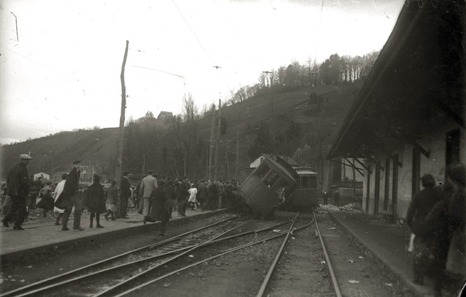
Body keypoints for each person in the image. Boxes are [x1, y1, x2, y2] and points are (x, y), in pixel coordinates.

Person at [406, 174, 442, 286]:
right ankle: (431, 275)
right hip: (434, 228)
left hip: (420, 228)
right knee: (431, 252)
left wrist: (412, 225)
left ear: (422, 183)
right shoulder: (439, 195)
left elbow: (410, 213)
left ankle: (418, 278)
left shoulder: (419, 195)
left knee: (418, 252)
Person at [2, 154, 32, 230]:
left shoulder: (13, 167)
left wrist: (9, 189)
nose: (28, 162)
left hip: (12, 192)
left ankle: (6, 219)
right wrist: (27, 192)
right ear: (22, 160)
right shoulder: (23, 168)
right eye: (27, 160)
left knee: (14, 207)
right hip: (19, 192)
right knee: (22, 209)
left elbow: (8, 179)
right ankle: (17, 225)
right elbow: (24, 182)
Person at [55, 160, 84, 231]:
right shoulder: (73, 173)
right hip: (72, 194)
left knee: (68, 209)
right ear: (73, 165)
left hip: (69, 194)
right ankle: (76, 226)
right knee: (78, 209)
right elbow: (71, 184)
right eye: (77, 164)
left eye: (79, 164)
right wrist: (77, 189)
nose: (78, 166)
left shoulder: (76, 172)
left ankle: (64, 226)